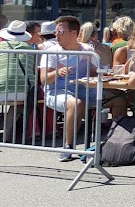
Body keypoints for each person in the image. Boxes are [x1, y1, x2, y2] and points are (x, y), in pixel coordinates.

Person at [38, 16, 98, 161]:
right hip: (56, 91)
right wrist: (58, 72)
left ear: (74, 33)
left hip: (83, 87)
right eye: (56, 31)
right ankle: (68, 146)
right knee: (76, 104)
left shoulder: (87, 50)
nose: (56, 34)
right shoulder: (52, 52)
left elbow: (94, 71)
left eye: (60, 31)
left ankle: (116, 142)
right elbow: (44, 79)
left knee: (117, 97)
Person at [1, 21, 36, 142]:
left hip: (0, 88)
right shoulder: (30, 49)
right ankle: (7, 136)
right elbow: (33, 70)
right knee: (15, 106)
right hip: (21, 91)